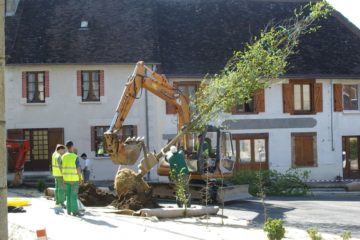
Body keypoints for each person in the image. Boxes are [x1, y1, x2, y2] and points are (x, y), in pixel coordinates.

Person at [61, 141, 83, 216]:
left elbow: (62, 168)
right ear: (72, 147)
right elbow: (78, 169)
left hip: (66, 179)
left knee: (68, 195)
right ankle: (75, 212)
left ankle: (68, 211)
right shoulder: (75, 157)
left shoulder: (63, 156)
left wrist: (63, 178)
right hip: (74, 180)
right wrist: (80, 178)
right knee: (73, 196)